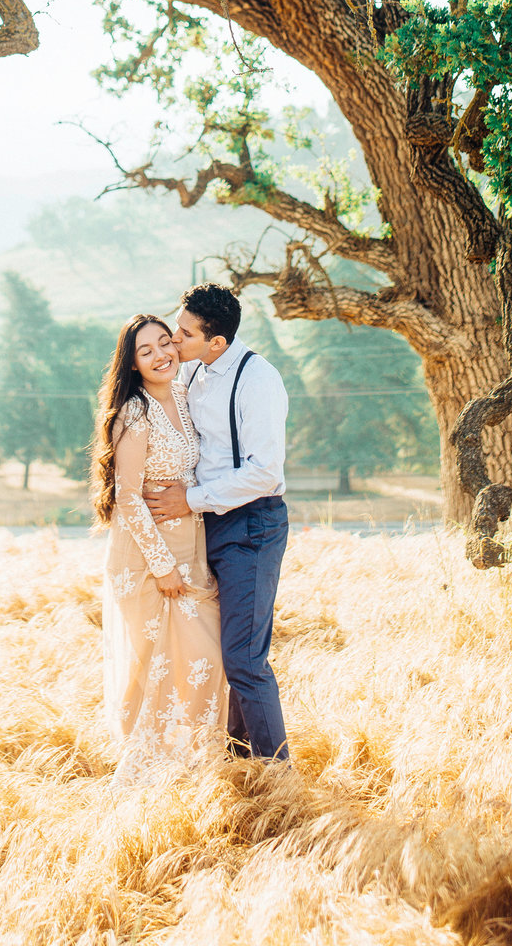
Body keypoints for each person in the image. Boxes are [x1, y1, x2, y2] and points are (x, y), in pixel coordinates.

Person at [144, 283, 290, 762]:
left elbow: (264, 472)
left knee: (246, 660)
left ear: (217, 343)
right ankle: (238, 764)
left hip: (252, 526)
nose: (172, 341)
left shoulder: (258, 380)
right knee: (222, 654)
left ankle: (277, 781)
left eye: (183, 335)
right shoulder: (194, 373)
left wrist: (191, 499)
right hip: (208, 526)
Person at [92, 312, 228, 787]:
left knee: (204, 662)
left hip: (191, 547)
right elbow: (128, 495)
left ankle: (194, 770)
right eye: (145, 351)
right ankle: (145, 778)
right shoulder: (135, 412)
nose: (160, 355)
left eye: (165, 343)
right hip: (146, 559)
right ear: (132, 364)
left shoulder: (187, 399)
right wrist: (163, 565)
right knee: (159, 668)